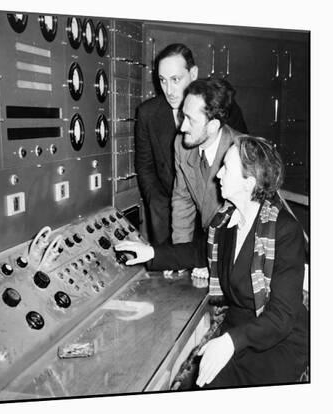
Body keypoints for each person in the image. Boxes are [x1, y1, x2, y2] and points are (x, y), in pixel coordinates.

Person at [116, 135, 308, 388]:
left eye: (226, 167)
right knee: (191, 385)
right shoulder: (226, 220)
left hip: (276, 341)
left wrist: (230, 342)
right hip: (237, 327)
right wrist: (152, 253)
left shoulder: (284, 231)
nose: (218, 174)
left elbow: (282, 317)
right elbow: (199, 252)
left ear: (248, 183)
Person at [135, 43, 247, 246]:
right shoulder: (148, 114)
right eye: (162, 80)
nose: (169, 90)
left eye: (176, 80)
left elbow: (242, 171)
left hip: (220, 214)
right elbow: (147, 170)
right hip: (172, 215)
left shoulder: (222, 107)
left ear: (193, 73)